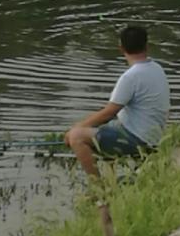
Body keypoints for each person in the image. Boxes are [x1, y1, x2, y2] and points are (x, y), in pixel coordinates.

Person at [64, 26, 170, 176]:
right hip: (153, 136)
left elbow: (109, 112)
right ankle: (113, 177)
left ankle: (98, 189)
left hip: (139, 140)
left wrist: (75, 129)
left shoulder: (130, 77)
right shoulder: (157, 68)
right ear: (147, 46)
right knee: (107, 127)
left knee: (77, 136)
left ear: (121, 49)